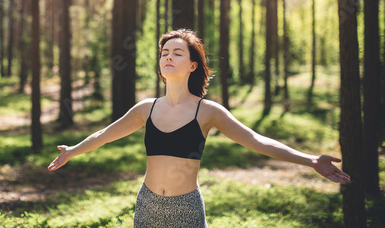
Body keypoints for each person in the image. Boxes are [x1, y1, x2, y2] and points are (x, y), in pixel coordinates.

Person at [48, 29, 351, 228]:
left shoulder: (208, 112)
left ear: (192, 65)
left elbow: (256, 140)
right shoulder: (146, 109)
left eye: (177, 53)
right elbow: (104, 135)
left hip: (187, 207)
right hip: (147, 203)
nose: (169, 56)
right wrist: (73, 151)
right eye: (165, 52)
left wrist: (310, 159)